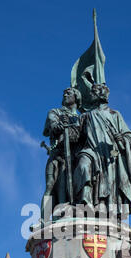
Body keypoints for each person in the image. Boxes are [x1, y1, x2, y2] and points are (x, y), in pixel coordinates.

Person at [73, 83, 131, 218]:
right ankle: (85, 201)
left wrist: (122, 138)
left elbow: (128, 135)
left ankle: (103, 206)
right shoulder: (86, 116)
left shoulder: (115, 114)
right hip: (90, 150)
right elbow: (75, 136)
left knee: (108, 181)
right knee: (83, 165)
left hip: (109, 153)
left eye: (93, 93)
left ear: (100, 95)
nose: (90, 95)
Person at [41, 87, 81, 221]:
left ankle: (67, 214)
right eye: (64, 93)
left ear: (76, 98)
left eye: (68, 93)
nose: (65, 95)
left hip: (73, 158)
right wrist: (61, 125)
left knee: (70, 191)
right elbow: (52, 127)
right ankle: (43, 219)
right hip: (57, 154)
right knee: (50, 185)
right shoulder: (55, 112)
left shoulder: (81, 118)